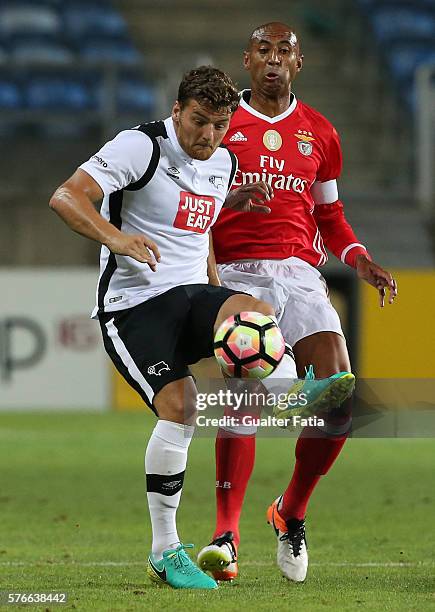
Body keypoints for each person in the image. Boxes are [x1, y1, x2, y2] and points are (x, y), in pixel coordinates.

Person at [48, 66, 292, 590]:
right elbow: (66, 197)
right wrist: (116, 238)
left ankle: (290, 385)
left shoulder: (223, 162)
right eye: (199, 122)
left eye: (221, 126)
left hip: (192, 295)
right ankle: (166, 551)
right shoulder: (141, 146)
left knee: (251, 310)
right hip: (134, 305)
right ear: (177, 110)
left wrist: (223, 240)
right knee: (181, 408)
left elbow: (193, 223)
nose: (209, 137)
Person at [197, 23, 397, 583]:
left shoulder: (321, 132)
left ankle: (290, 512)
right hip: (236, 272)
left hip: (301, 276)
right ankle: (226, 536)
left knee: (337, 399)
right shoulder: (221, 123)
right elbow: (192, 195)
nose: (272, 61)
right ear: (246, 60)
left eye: (283, 52)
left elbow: (330, 217)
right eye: (263, 51)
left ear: (298, 63)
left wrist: (359, 259)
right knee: (244, 393)